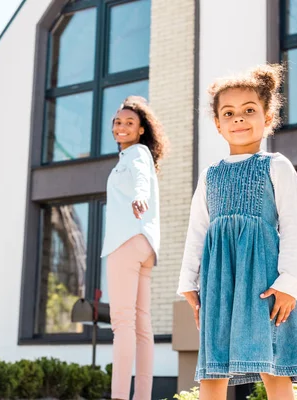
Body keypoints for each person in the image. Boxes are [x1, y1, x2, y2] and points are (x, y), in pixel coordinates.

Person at [177, 64, 297, 400]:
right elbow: (198, 231)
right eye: (229, 113)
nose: (239, 119)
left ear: (267, 118)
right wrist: (189, 283)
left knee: (273, 366)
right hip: (219, 280)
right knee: (214, 367)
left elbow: (293, 227)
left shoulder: (277, 165)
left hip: (264, 281)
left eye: (249, 111)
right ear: (218, 125)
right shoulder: (210, 175)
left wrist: (288, 283)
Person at [101, 96, 168, 400]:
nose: (122, 127)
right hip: (144, 245)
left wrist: (140, 196)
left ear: (141, 130)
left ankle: (118, 397)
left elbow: (141, 179)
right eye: (118, 122)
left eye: (130, 122)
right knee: (142, 325)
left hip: (125, 242)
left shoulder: (136, 154)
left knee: (123, 323)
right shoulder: (135, 155)